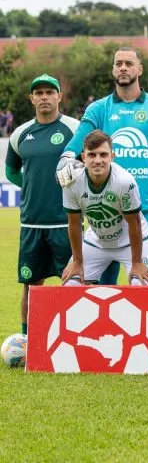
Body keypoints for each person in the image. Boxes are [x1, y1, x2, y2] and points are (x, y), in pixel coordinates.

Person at [56, 47, 148, 286]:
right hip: (106, 208)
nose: (123, 67)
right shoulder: (99, 108)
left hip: (147, 209)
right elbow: (80, 136)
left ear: (139, 69)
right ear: (113, 69)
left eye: (129, 64)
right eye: (118, 63)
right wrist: (67, 156)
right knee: (102, 284)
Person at [7, 75, 80, 334]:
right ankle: (28, 339)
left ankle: (74, 335)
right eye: (39, 93)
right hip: (31, 223)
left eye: (50, 92)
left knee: (72, 283)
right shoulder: (20, 134)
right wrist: (31, 186)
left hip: (65, 222)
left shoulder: (74, 128)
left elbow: (88, 164)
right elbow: (11, 171)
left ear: (59, 96)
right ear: (32, 99)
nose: (44, 97)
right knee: (31, 286)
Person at [61, 131, 148, 286]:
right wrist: (77, 261)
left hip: (132, 243)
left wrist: (137, 262)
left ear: (112, 156)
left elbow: (134, 223)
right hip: (97, 241)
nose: (98, 160)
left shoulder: (125, 182)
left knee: (140, 285)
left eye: (103, 155)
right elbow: (74, 223)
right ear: (84, 157)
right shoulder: (72, 181)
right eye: (92, 155)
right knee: (70, 285)